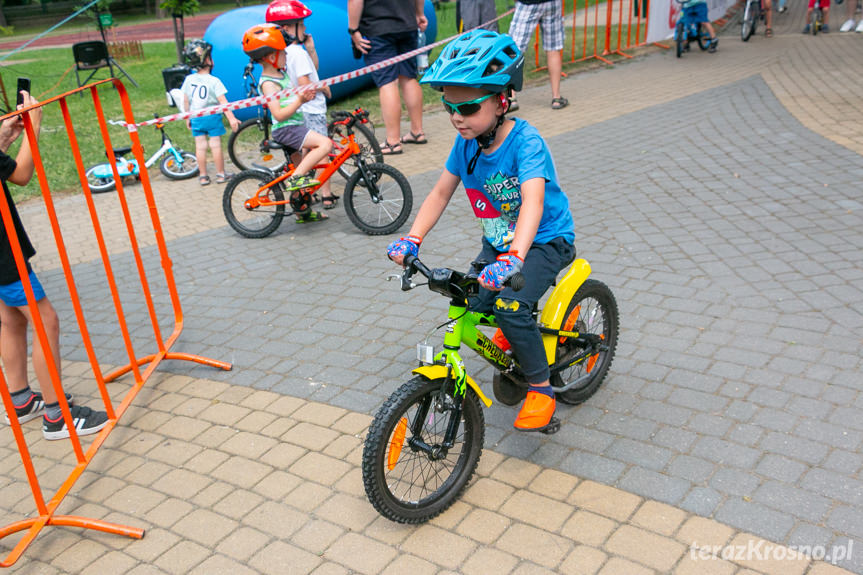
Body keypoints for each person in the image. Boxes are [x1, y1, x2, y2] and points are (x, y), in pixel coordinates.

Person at [387, 31, 575, 432]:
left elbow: (533, 204)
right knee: (473, 300)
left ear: (501, 100)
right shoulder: (465, 144)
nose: (457, 117)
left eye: (468, 107)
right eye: (449, 106)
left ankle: (541, 388)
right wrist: (413, 238)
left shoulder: (526, 143)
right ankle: (514, 337)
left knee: (510, 305)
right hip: (500, 241)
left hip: (543, 240)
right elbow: (440, 193)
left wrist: (514, 258)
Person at [0, 91, 109, 440]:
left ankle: (20, 400)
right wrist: (34, 125)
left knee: (11, 318)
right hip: (4, 250)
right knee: (45, 320)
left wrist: (3, 137)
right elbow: (20, 174)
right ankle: (56, 415)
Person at [242, 24, 332, 223]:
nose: (286, 54)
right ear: (269, 56)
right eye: (282, 51)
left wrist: (303, 97)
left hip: (294, 126)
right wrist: (299, 100)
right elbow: (279, 114)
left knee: (303, 175)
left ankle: (303, 212)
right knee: (325, 144)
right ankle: (296, 177)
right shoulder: (268, 83)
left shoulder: (280, 75)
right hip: (287, 129)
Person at [266, 0, 339, 210]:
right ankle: (324, 194)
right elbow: (306, 83)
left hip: (300, 111)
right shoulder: (296, 52)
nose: (305, 28)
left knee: (308, 152)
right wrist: (323, 87)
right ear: (287, 28)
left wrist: (312, 50)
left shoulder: (288, 52)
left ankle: (307, 195)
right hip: (311, 108)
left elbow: (311, 70)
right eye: (301, 24)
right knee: (322, 148)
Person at [348, 0, 427, 155]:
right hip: (407, 24)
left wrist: (353, 30)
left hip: (378, 28)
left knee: (387, 83)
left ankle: (393, 142)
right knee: (409, 78)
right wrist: (419, 14)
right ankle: (417, 132)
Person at [180, 39, 240, 186]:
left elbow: (185, 100)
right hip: (212, 117)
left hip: (196, 116)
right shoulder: (214, 81)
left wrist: (187, 116)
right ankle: (220, 174)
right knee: (215, 145)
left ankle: (203, 176)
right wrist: (232, 118)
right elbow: (223, 101)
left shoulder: (189, 79)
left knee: (200, 146)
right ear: (206, 59)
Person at [507, 0, 569, 110]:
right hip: (552, 3)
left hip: (528, 3)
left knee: (514, 50)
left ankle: (511, 98)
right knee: (553, 49)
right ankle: (556, 98)